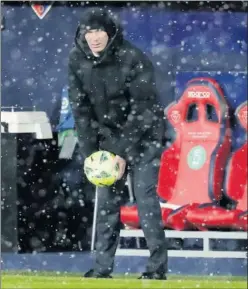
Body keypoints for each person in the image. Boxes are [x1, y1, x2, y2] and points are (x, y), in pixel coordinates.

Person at [68, 7, 168, 280]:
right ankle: (102, 269)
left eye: (99, 31)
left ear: (110, 33)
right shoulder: (77, 60)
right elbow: (81, 111)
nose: (94, 37)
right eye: (89, 32)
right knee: (107, 204)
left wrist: (123, 153)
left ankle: (156, 269)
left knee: (145, 201)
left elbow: (144, 110)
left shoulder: (133, 58)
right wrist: (92, 155)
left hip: (145, 137)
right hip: (109, 139)